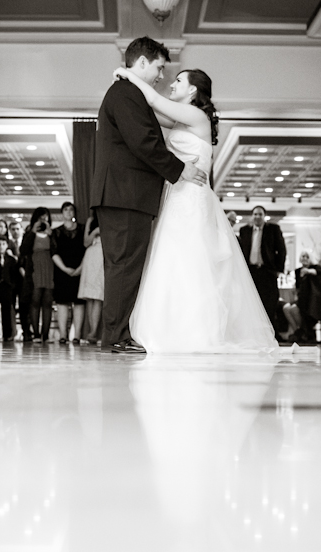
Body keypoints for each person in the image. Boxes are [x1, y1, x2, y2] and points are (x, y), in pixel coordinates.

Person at [113, 65, 278, 353]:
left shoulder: (196, 116)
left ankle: (195, 330)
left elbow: (153, 99)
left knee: (190, 259)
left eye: (178, 81)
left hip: (191, 198)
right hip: (176, 195)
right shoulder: (181, 119)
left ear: (192, 89)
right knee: (172, 259)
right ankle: (171, 328)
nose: (172, 84)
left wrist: (129, 75)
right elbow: (147, 112)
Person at [91, 36, 207, 354]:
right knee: (125, 266)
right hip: (125, 194)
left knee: (123, 266)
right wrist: (179, 169)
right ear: (142, 62)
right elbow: (143, 142)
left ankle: (117, 333)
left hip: (123, 194)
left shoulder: (128, 92)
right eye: (158, 67)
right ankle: (116, 336)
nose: (161, 75)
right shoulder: (126, 92)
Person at [238, 205, 287, 336]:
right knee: (250, 303)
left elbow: (281, 250)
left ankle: (271, 334)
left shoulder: (273, 229)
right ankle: (252, 334)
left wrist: (278, 270)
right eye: (255, 214)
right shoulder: (244, 231)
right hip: (251, 272)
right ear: (252, 216)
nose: (257, 216)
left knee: (270, 303)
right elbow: (241, 252)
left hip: (267, 271)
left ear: (264, 216)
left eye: (260, 214)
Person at [18, 207, 57, 343]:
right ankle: (35, 334)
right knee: (34, 301)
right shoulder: (30, 232)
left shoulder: (52, 233)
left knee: (47, 302)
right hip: (34, 269)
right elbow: (23, 250)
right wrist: (33, 231)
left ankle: (45, 335)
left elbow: (56, 250)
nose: (43, 220)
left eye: (46, 217)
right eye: (41, 218)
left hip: (49, 269)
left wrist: (50, 234)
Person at [53, 202, 85, 344]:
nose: (68, 212)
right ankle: (63, 335)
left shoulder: (82, 229)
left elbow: (86, 250)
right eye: (65, 209)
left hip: (80, 269)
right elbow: (54, 253)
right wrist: (65, 269)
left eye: (71, 209)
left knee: (79, 302)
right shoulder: (56, 232)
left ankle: (77, 335)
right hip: (62, 271)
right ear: (62, 213)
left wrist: (80, 268)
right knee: (62, 302)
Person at [281, 251, 321, 343]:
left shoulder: (316, 268)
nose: (304, 258)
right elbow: (297, 288)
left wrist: (307, 271)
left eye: (307, 256)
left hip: (311, 300)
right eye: (303, 256)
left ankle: (305, 331)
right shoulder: (297, 271)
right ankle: (298, 331)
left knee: (294, 309)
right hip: (301, 298)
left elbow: (320, 273)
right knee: (286, 308)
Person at [78, 214, 104, 345]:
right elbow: (85, 242)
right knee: (89, 296)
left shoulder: (109, 217)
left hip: (102, 254)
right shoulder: (91, 220)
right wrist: (95, 231)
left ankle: (94, 332)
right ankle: (91, 331)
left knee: (98, 295)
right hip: (91, 254)